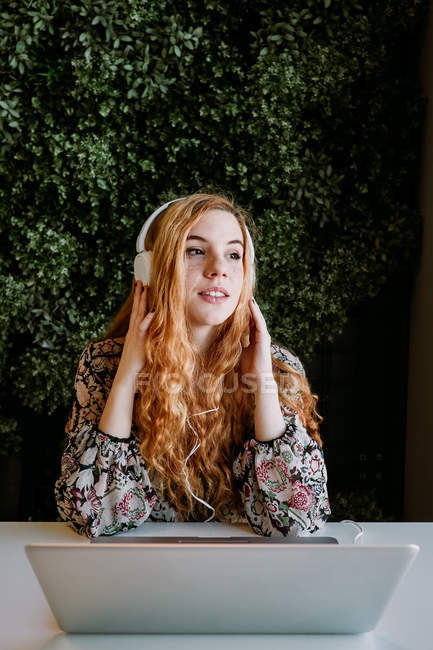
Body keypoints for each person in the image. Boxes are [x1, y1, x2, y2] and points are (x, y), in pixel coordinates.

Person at [54, 192, 331, 538]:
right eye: (196, 251)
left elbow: (299, 519)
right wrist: (127, 376)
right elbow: (91, 516)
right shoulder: (105, 364)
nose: (219, 269)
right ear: (153, 270)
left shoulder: (278, 367)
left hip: (247, 574)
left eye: (234, 254)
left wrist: (262, 380)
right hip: (141, 574)